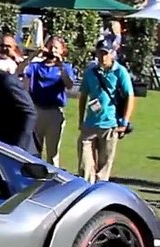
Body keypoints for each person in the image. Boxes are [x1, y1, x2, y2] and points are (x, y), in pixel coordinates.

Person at [78, 40, 135, 184]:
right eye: (100, 53)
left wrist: (125, 121)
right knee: (85, 165)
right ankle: (86, 189)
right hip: (90, 124)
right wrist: (81, 120)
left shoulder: (119, 71)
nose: (103, 57)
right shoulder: (90, 72)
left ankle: (99, 192)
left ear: (112, 54)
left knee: (104, 168)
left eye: (105, 53)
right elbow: (83, 95)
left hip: (110, 124)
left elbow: (130, 96)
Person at [22, 36, 76, 167]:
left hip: (54, 112)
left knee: (53, 152)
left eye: (56, 47)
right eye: (50, 46)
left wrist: (61, 66)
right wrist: (34, 55)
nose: (52, 50)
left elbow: (69, 85)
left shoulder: (65, 68)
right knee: (34, 150)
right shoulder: (36, 66)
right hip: (37, 110)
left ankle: (53, 178)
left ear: (63, 50)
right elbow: (20, 70)